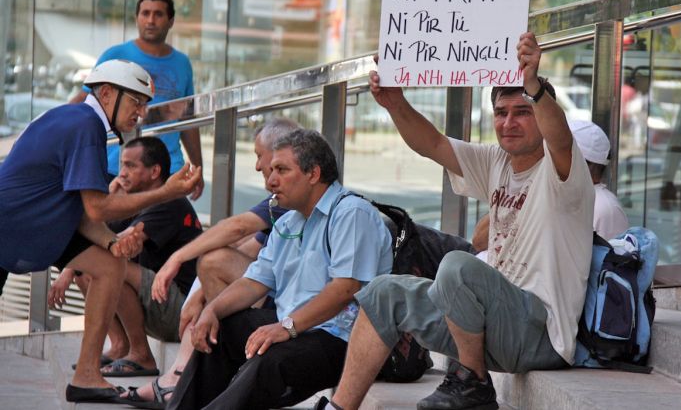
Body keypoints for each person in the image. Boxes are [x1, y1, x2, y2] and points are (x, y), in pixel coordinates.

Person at [319, 32, 595, 410]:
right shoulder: (497, 162)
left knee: (456, 265)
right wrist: (395, 105)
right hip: (490, 325)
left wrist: (533, 84)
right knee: (383, 292)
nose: (509, 122)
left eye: (522, 112)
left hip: (540, 333)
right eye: (501, 113)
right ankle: (340, 407)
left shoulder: (562, 169)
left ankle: (472, 383)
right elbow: (432, 144)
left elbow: (561, 138)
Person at [0, 59, 201, 404]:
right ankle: (88, 374)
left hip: (20, 222)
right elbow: (97, 208)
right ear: (106, 94)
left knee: (110, 266)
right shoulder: (86, 126)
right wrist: (167, 192)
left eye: (144, 104)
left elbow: (78, 211)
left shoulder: (74, 119)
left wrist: (112, 242)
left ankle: (87, 375)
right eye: (136, 101)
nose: (141, 111)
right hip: (12, 222)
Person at [165, 129, 393, 410]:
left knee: (268, 358)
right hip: (296, 327)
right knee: (221, 330)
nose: (271, 181)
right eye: (271, 170)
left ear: (313, 174)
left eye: (282, 170)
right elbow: (253, 282)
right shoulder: (287, 223)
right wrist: (211, 311)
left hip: (340, 340)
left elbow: (344, 289)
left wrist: (286, 327)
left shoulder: (351, 213)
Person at [120, 117, 301, 409]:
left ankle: (182, 374)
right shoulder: (280, 202)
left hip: (296, 315)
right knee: (213, 264)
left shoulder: (295, 198)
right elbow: (243, 246)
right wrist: (199, 294)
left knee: (212, 261)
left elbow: (236, 228)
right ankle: (180, 373)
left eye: (259, 156)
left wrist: (179, 259)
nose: (257, 167)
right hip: (279, 302)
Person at [48, 136, 203, 377]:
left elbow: (121, 242)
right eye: (121, 165)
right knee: (90, 271)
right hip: (157, 302)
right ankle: (121, 345)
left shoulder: (169, 202)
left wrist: (67, 271)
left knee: (108, 265)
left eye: (131, 166)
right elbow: (94, 237)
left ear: (155, 171)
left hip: (180, 311)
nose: (122, 173)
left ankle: (142, 355)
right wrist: (110, 196)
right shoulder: (133, 202)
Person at [71, 0, 203, 198]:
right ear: (137, 18)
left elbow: (187, 118)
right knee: (119, 229)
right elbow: (84, 102)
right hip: (118, 167)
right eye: (145, 13)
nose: (150, 20)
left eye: (158, 14)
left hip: (166, 170)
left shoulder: (182, 63)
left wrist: (197, 167)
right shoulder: (114, 55)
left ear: (171, 21)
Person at [473, 119, 627, 256]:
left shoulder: (605, 207)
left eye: (549, 155)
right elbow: (478, 241)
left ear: (577, 163)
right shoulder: (542, 191)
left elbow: (609, 273)